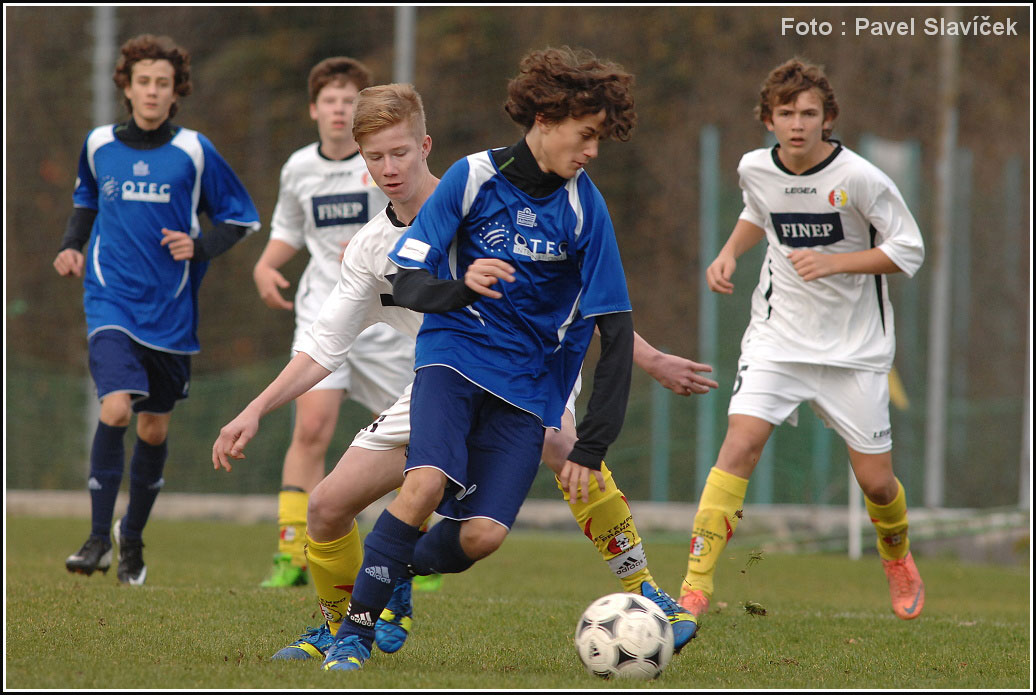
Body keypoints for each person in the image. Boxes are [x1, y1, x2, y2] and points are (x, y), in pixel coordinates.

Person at [213, 81, 717, 666]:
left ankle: (646, 590)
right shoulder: (371, 250)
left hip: (526, 371)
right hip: (443, 378)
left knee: (563, 445)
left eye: (400, 152)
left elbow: (572, 298)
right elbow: (324, 348)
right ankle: (337, 625)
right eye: (375, 157)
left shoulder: (479, 200)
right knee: (326, 506)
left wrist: (649, 358)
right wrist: (255, 409)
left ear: (425, 146)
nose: (390, 168)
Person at [310, 46, 671, 672]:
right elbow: (411, 282)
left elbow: (614, 329)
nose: (592, 150)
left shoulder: (586, 208)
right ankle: (352, 639)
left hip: (527, 384)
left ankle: (393, 566)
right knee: (423, 483)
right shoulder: (472, 176)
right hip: (452, 357)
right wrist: (463, 286)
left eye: (598, 138)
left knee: (483, 536)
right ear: (545, 119)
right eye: (586, 135)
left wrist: (592, 445)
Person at [677, 58, 926, 623]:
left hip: (854, 351)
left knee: (877, 484)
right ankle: (694, 586)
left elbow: (908, 249)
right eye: (786, 113)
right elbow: (758, 211)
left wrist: (837, 263)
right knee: (739, 445)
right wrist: (728, 252)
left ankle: (896, 554)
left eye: (809, 113)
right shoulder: (754, 167)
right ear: (768, 119)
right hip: (777, 338)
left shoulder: (860, 178)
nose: (797, 123)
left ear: (827, 118)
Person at [56, 34, 260, 585]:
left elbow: (241, 218)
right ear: (126, 87)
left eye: (162, 83)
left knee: (152, 429)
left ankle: (132, 539)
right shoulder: (99, 144)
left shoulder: (194, 150)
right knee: (116, 409)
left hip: (170, 311)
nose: (151, 91)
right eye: (142, 81)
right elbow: (85, 200)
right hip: (110, 299)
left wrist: (200, 245)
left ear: (176, 92)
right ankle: (97, 538)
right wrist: (72, 245)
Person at [251, 57, 416, 588]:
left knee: (409, 436)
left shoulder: (386, 160)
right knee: (312, 427)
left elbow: (406, 222)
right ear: (314, 110)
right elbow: (288, 228)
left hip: (389, 315)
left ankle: (411, 546)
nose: (339, 109)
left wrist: (371, 249)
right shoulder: (299, 167)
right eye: (330, 100)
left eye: (349, 100)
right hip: (326, 309)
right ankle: (291, 551)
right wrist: (266, 264)